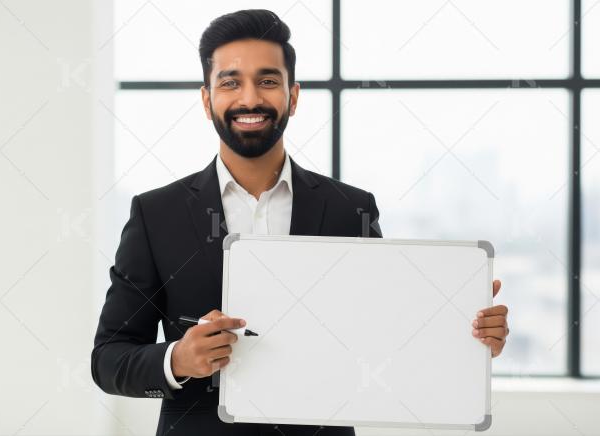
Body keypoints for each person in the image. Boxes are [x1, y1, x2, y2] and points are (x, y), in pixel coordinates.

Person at [92, 9, 510, 435]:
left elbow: (388, 338)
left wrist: (470, 337)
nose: (250, 98)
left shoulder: (351, 210)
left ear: (293, 96)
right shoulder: (156, 214)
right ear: (207, 99)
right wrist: (177, 360)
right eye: (230, 82)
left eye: (268, 81)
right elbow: (108, 360)